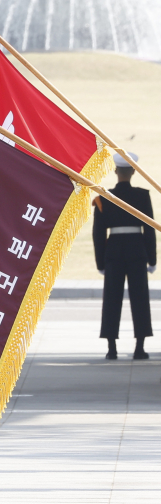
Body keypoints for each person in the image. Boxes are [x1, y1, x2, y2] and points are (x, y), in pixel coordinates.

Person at [94, 152, 156, 360]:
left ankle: (111, 348)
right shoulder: (143, 195)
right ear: (133, 172)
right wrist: (152, 259)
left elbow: (98, 232)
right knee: (140, 298)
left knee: (112, 298)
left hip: (114, 251)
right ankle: (140, 347)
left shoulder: (104, 197)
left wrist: (100, 261)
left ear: (116, 171)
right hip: (137, 250)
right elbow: (149, 228)